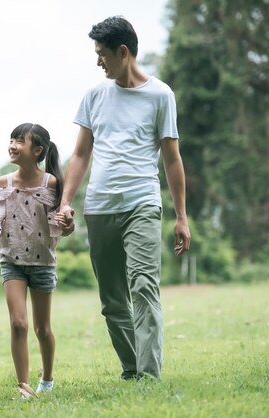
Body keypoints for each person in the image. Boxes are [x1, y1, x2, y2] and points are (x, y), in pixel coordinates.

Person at [58, 16, 191, 380]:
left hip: (142, 204)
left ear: (123, 52)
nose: (97, 61)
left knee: (144, 287)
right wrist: (66, 201)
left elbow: (172, 158)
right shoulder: (94, 95)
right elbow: (81, 154)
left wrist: (181, 216)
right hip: (99, 209)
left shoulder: (161, 95)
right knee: (113, 301)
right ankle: (132, 368)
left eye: (102, 54)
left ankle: (149, 375)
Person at [0, 123, 73, 399]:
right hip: (11, 261)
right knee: (18, 324)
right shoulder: (3, 183)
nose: (12, 145)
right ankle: (24, 386)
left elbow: (63, 226)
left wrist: (68, 223)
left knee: (42, 328)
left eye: (19, 141)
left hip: (43, 263)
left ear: (37, 150)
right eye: (11, 140)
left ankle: (47, 379)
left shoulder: (51, 183)